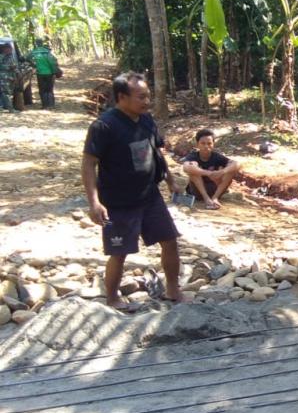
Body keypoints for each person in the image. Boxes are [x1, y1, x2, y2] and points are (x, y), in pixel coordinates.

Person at [82, 72, 184, 310]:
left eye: (148, 96)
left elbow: (157, 152)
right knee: (119, 252)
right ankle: (112, 298)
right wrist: (94, 203)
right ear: (121, 97)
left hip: (150, 196)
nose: (147, 101)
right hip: (118, 201)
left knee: (170, 241)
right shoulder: (104, 126)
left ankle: (173, 290)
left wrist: (170, 180)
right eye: (141, 97)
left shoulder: (146, 120)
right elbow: (88, 164)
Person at [181, 128, 240, 209]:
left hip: (215, 190)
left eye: (209, 143)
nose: (206, 146)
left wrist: (222, 172)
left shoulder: (217, 156)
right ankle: (206, 199)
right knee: (193, 167)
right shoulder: (193, 156)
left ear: (213, 144)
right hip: (197, 192)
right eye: (203, 143)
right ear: (197, 144)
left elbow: (237, 164)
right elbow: (186, 167)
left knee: (231, 171)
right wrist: (209, 173)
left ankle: (215, 198)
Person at [30, 38, 61, 109]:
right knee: (49, 89)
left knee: (42, 90)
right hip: (50, 73)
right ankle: (51, 105)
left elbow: (27, 58)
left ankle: (44, 105)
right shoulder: (48, 52)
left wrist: (33, 65)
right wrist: (55, 71)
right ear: (42, 43)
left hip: (40, 73)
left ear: (36, 43)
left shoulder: (34, 52)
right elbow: (53, 62)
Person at [0, 43, 17, 113]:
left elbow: (14, 66)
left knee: (9, 93)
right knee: (6, 93)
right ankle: (11, 109)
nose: (11, 50)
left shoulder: (11, 56)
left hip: (10, 77)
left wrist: (16, 75)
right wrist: (8, 67)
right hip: (3, 77)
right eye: (10, 48)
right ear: (5, 49)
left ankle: (7, 107)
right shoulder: (1, 56)